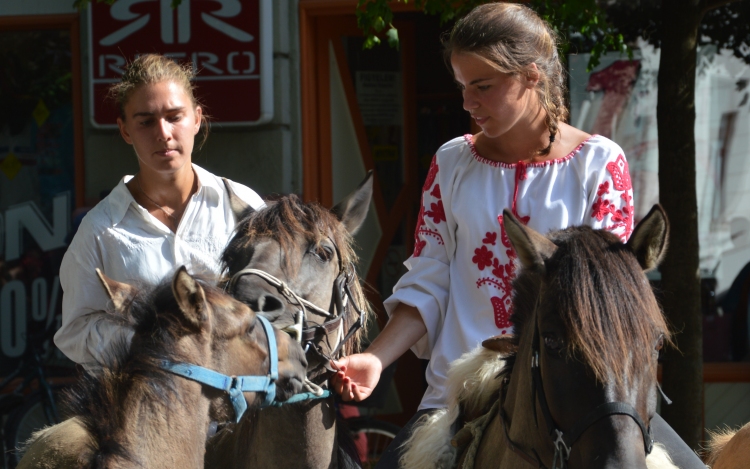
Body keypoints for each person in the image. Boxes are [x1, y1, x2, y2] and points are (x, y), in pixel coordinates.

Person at [330, 4, 705, 469]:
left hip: (579, 403)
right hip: (456, 399)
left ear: (531, 76)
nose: (468, 102)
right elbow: (428, 282)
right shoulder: (450, 163)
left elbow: (610, 300)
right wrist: (375, 359)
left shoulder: (599, 162)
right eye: (463, 87)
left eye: (482, 86)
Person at [54, 54, 264, 367]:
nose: (163, 133)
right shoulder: (102, 229)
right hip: (149, 412)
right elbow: (74, 331)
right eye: (146, 121)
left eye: (174, 116)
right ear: (125, 131)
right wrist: (146, 340)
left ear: (196, 118)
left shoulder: (242, 207)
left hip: (238, 409)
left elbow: (277, 302)